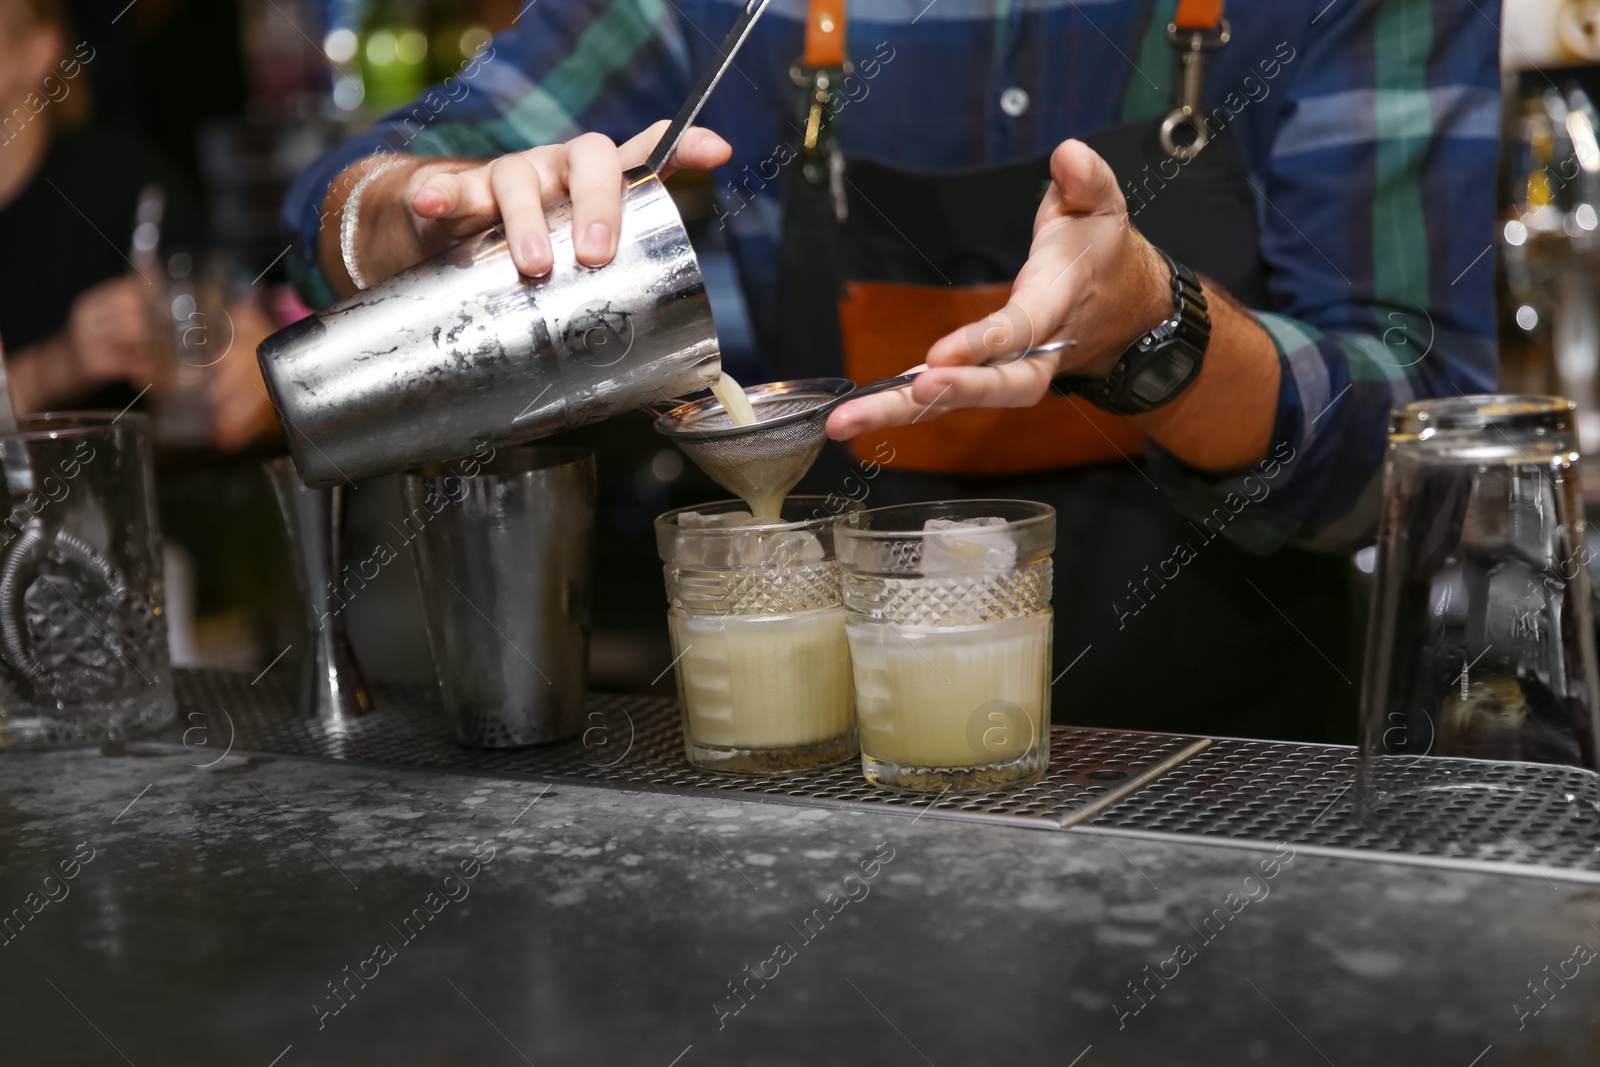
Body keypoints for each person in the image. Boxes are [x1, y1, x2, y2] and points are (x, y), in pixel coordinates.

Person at [282, 0, 1501, 741]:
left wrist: (1154, 327)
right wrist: (408, 218)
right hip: (810, 786)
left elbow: (1428, 455)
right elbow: (366, 190)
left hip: (1230, 790)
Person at [0, 0, 275, 449]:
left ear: (38, 52)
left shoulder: (128, 184)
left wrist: (246, 371)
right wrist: (60, 365)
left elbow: (236, 334)